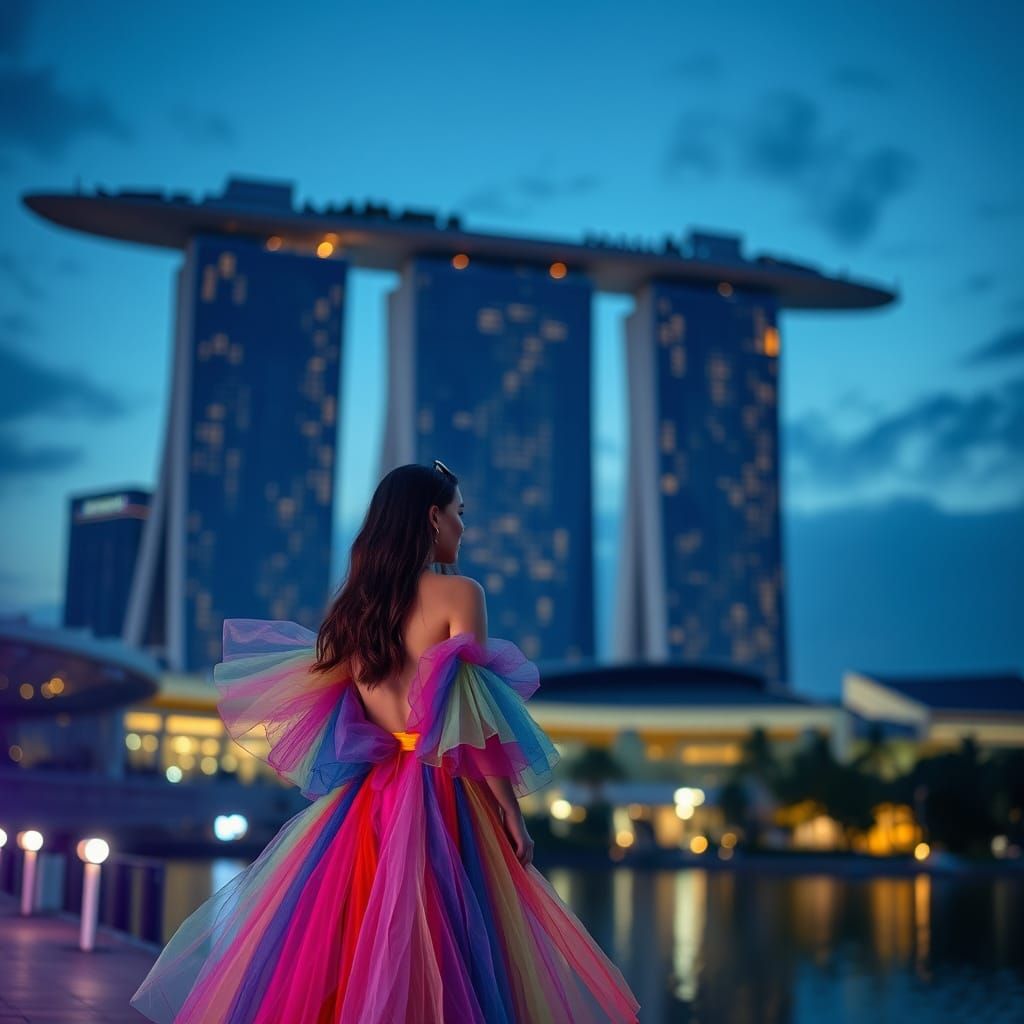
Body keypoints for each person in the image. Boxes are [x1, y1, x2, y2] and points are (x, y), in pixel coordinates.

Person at [130, 460, 641, 1023]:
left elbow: (346, 713)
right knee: (458, 949)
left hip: (368, 797)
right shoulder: (460, 594)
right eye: (458, 514)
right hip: (445, 792)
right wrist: (510, 811)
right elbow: (472, 718)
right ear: (431, 517)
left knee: (352, 944)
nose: (463, 528)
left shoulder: (356, 609)